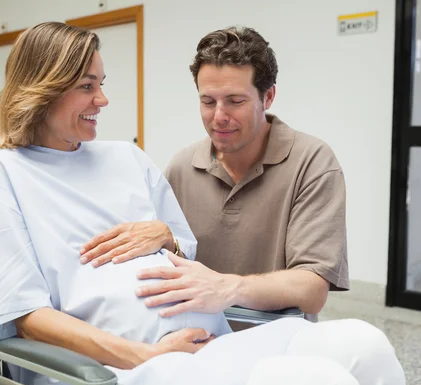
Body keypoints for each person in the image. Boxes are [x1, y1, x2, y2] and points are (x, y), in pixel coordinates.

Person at [0, 22, 410, 385]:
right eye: (87, 87)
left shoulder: (127, 159)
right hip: (127, 368)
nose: (103, 99)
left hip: (216, 342)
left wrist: (166, 237)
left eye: (102, 85)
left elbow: (183, 251)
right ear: (43, 89)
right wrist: (141, 355)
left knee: (366, 345)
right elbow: (24, 316)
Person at [80, 26, 347, 322]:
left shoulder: (312, 162)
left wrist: (228, 288)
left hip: (277, 342)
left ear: (268, 96)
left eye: (235, 101)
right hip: (191, 340)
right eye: (208, 102)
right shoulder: (182, 167)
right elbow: (162, 263)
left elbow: (312, 288)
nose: (219, 116)